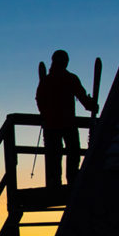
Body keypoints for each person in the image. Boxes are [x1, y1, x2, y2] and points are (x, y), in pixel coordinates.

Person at [36, 50, 98, 188]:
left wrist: (44, 114)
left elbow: (40, 99)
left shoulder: (47, 81)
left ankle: (55, 182)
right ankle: (73, 179)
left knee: (54, 154)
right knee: (73, 151)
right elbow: (82, 98)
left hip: (51, 124)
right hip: (67, 124)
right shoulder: (70, 79)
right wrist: (91, 105)